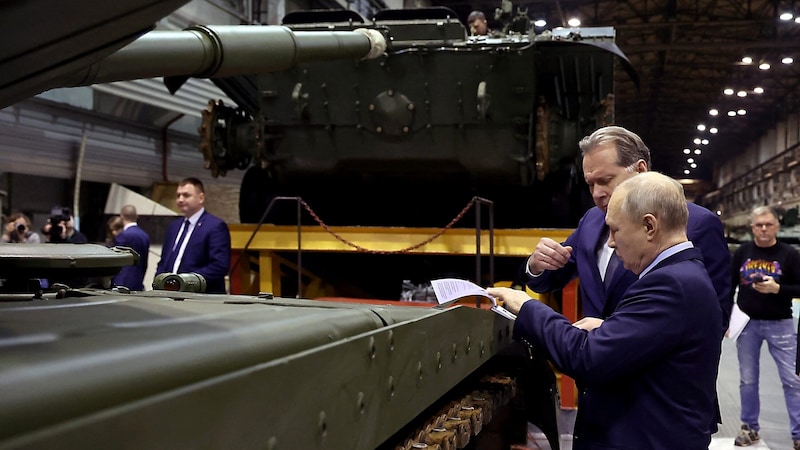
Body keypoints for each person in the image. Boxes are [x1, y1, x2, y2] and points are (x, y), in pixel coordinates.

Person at [489, 172, 723, 449]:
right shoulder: (681, 274)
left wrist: (527, 307)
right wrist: (607, 330)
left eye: (616, 230)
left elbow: (586, 359)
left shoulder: (669, 284)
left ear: (650, 226)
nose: (610, 242)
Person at [524, 125, 731, 328]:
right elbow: (549, 280)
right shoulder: (591, 220)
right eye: (590, 184)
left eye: (605, 180)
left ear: (640, 169)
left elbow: (712, 319)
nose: (596, 193)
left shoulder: (697, 224)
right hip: (592, 358)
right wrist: (537, 265)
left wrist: (616, 337)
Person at [730, 206, 800, 448]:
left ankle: (798, 434)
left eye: (768, 225)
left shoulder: (790, 254)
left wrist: (778, 289)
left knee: (793, 380)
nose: (763, 229)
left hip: (780, 324)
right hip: (747, 324)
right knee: (748, 379)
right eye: (759, 225)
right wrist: (726, 320)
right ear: (752, 228)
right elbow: (728, 286)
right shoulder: (742, 252)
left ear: (777, 226)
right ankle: (750, 428)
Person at [155, 178, 230, 293]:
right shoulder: (174, 227)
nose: (180, 200)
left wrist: (184, 281)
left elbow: (219, 266)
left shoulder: (215, 226)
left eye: (186, 195)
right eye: (178, 195)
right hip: (168, 295)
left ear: (201, 198)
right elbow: (164, 262)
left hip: (201, 297)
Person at [111, 205, 151, 291]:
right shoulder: (145, 236)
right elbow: (144, 262)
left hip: (121, 282)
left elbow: (115, 261)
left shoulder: (123, 236)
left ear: (121, 216)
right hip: (138, 281)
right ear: (136, 216)